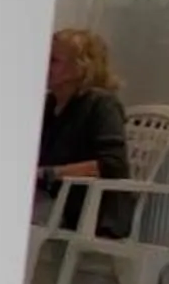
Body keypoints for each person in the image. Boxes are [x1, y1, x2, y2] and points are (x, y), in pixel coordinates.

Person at [39, 27, 133, 241]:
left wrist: (50, 173)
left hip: (87, 208)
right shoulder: (49, 104)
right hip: (52, 200)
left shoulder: (101, 104)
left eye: (54, 60)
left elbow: (111, 164)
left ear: (81, 67)